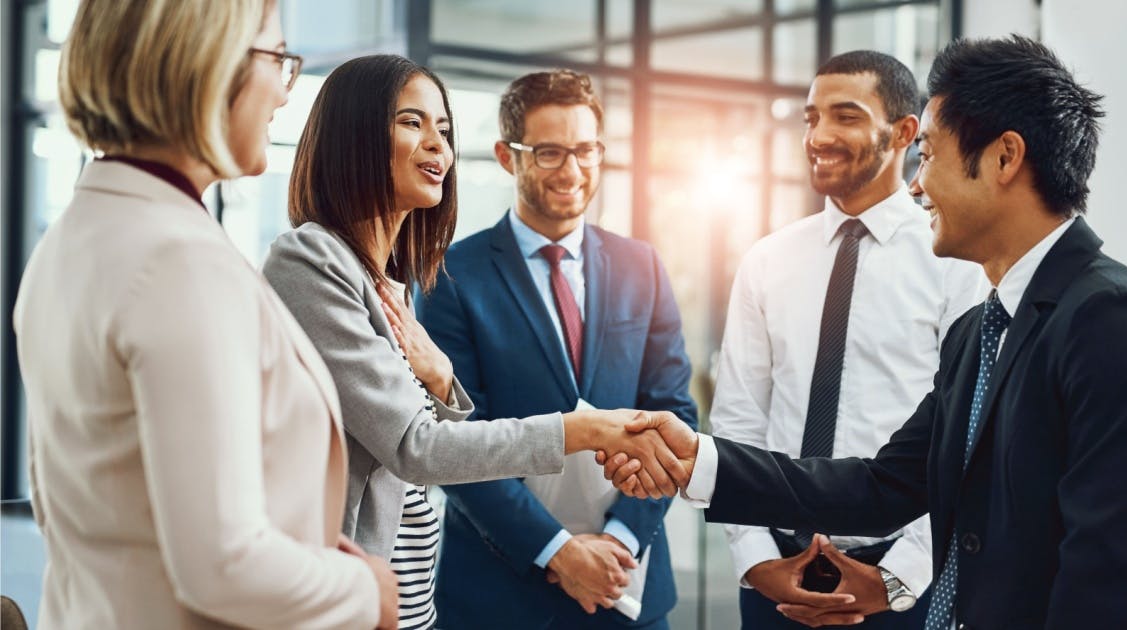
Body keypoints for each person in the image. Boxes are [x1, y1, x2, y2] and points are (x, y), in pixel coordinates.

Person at [606, 35, 1127, 629]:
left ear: (1004, 157)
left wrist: (896, 580)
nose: (917, 185)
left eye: (931, 155)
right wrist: (699, 461)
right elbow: (883, 485)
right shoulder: (983, 330)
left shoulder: (1116, 322)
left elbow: (1107, 585)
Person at [262, 56, 684, 630]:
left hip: (412, 598)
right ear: (353, 133)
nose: (437, 145)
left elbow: (421, 442)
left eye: (444, 129)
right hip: (376, 593)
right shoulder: (315, 259)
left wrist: (440, 380)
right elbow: (418, 449)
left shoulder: (390, 275)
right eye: (412, 122)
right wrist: (585, 432)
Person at [13, 1, 398, 628]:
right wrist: (364, 588)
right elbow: (224, 566)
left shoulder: (77, 236)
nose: (283, 90)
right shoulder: (176, 261)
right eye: (278, 60)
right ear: (208, 61)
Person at [710, 50, 985, 629]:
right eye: (811, 118)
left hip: (899, 586)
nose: (819, 135)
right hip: (774, 581)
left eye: (846, 116)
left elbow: (964, 440)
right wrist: (757, 560)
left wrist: (897, 578)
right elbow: (737, 422)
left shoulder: (957, 264)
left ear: (905, 132)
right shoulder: (767, 260)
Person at [416, 69, 698, 629]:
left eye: (586, 150)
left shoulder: (641, 264)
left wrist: (619, 540)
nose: (572, 171)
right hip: (501, 594)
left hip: (628, 585)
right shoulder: (449, 277)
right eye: (548, 153)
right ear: (506, 155)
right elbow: (456, 441)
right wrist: (560, 551)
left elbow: (675, 413)